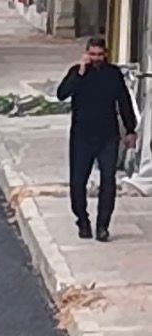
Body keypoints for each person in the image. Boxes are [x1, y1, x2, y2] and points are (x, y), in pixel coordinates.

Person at [57, 35, 137, 242]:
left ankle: (103, 226)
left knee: (108, 181)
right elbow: (61, 94)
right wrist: (80, 73)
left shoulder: (113, 74)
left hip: (107, 135)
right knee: (77, 181)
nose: (96, 59)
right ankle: (82, 220)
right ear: (86, 54)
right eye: (92, 55)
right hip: (82, 135)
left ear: (106, 54)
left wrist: (130, 129)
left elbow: (124, 101)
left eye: (100, 55)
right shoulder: (77, 72)